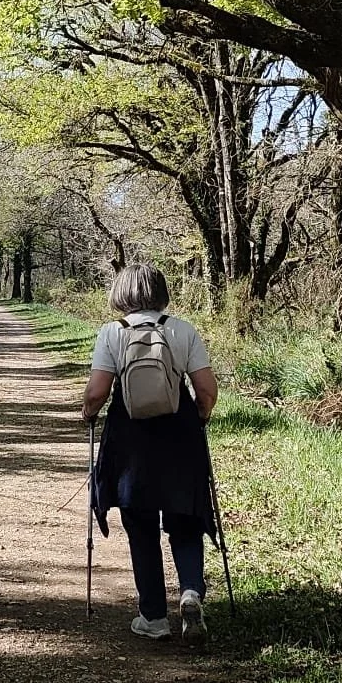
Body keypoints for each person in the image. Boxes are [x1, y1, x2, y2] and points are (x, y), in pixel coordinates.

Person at [81, 262, 220, 640]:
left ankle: (153, 616)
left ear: (121, 294)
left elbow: (97, 392)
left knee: (140, 525)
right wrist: (200, 417)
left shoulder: (112, 333)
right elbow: (206, 389)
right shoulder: (182, 330)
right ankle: (191, 592)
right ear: (161, 292)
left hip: (131, 440)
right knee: (185, 519)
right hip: (180, 434)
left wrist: (87, 412)